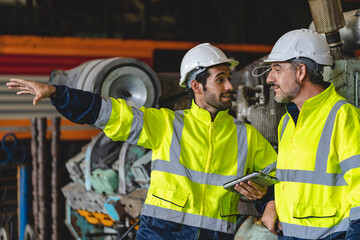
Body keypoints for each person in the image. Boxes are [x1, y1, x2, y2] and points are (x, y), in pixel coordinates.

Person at [7, 43, 277, 239]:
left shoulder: (246, 136)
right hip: (161, 235)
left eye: (228, 78)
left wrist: (268, 201)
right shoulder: (167, 124)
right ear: (197, 86)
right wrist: (57, 93)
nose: (230, 86)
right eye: (221, 79)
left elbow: (277, 179)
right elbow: (110, 113)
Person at [261, 28, 360, 239]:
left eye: (277, 69)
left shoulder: (343, 116)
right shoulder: (287, 121)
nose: (270, 78)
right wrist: (273, 203)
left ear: (301, 71)